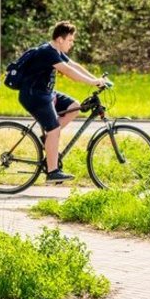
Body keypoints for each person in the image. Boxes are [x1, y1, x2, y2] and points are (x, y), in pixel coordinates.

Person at [18, 21, 110, 185]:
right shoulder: (48, 52)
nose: (72, 43)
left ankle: (48, 141)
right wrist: (93, 82)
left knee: (74, 106)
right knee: (54, 129)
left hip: (46, 94)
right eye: (70, 40)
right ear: (60, 39)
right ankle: (52, 171)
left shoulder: (56, 50)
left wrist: (97, 79)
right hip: (34, 96)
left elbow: (75, 65)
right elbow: (69, 72)